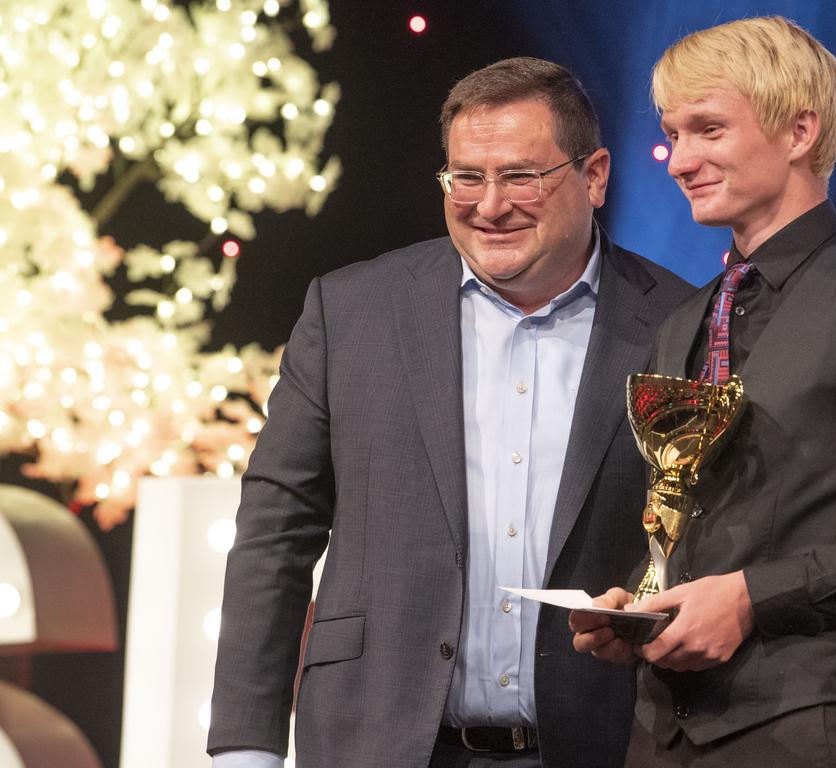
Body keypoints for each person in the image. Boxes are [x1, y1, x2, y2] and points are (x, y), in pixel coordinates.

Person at [207, 57, 694, 768]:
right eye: (467, 176)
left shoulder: (681, 322)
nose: (489, 205)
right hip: (375, 742)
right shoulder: (351, 312)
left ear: (593, 176)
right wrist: (246, 747)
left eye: (521, 176)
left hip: (603, 745)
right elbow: (274, 533)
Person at [570, 16, 836, 768]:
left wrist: (752, 596)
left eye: (708, 129)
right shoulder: (687, 319)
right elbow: (692, 519)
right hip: (660, 732)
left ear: (800, 131)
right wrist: (642, 610)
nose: (679, 159)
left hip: (808, 732)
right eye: (675, 133)